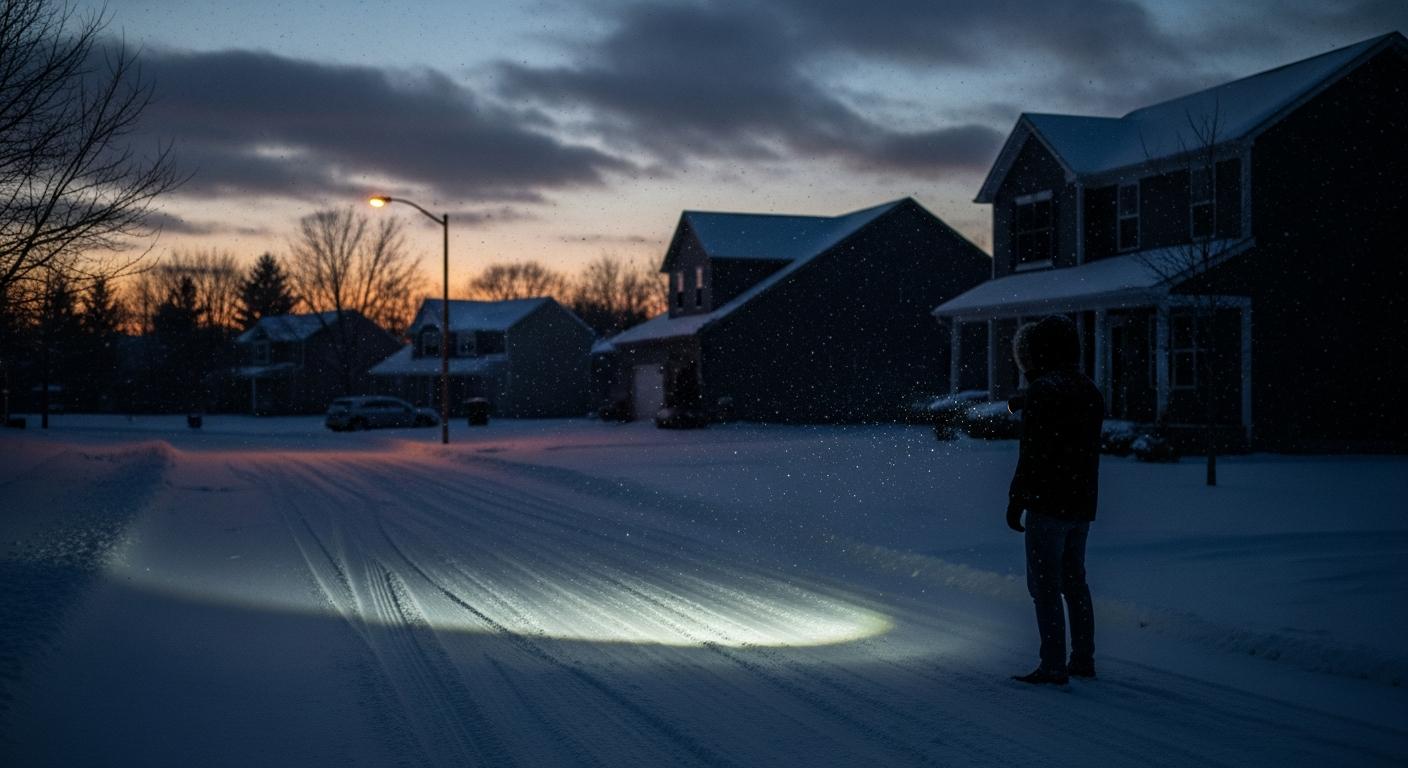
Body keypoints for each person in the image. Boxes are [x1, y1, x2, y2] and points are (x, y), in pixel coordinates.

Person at [1006, 315, 1104, 685]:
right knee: (1074, 581)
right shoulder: (1088, 390)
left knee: (1044, 586)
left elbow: (1033, 453)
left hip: (1048, 503)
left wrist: (1017, 498)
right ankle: (1082, 658)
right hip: (1082, 502)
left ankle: (1052, 664)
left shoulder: (1044, 392)